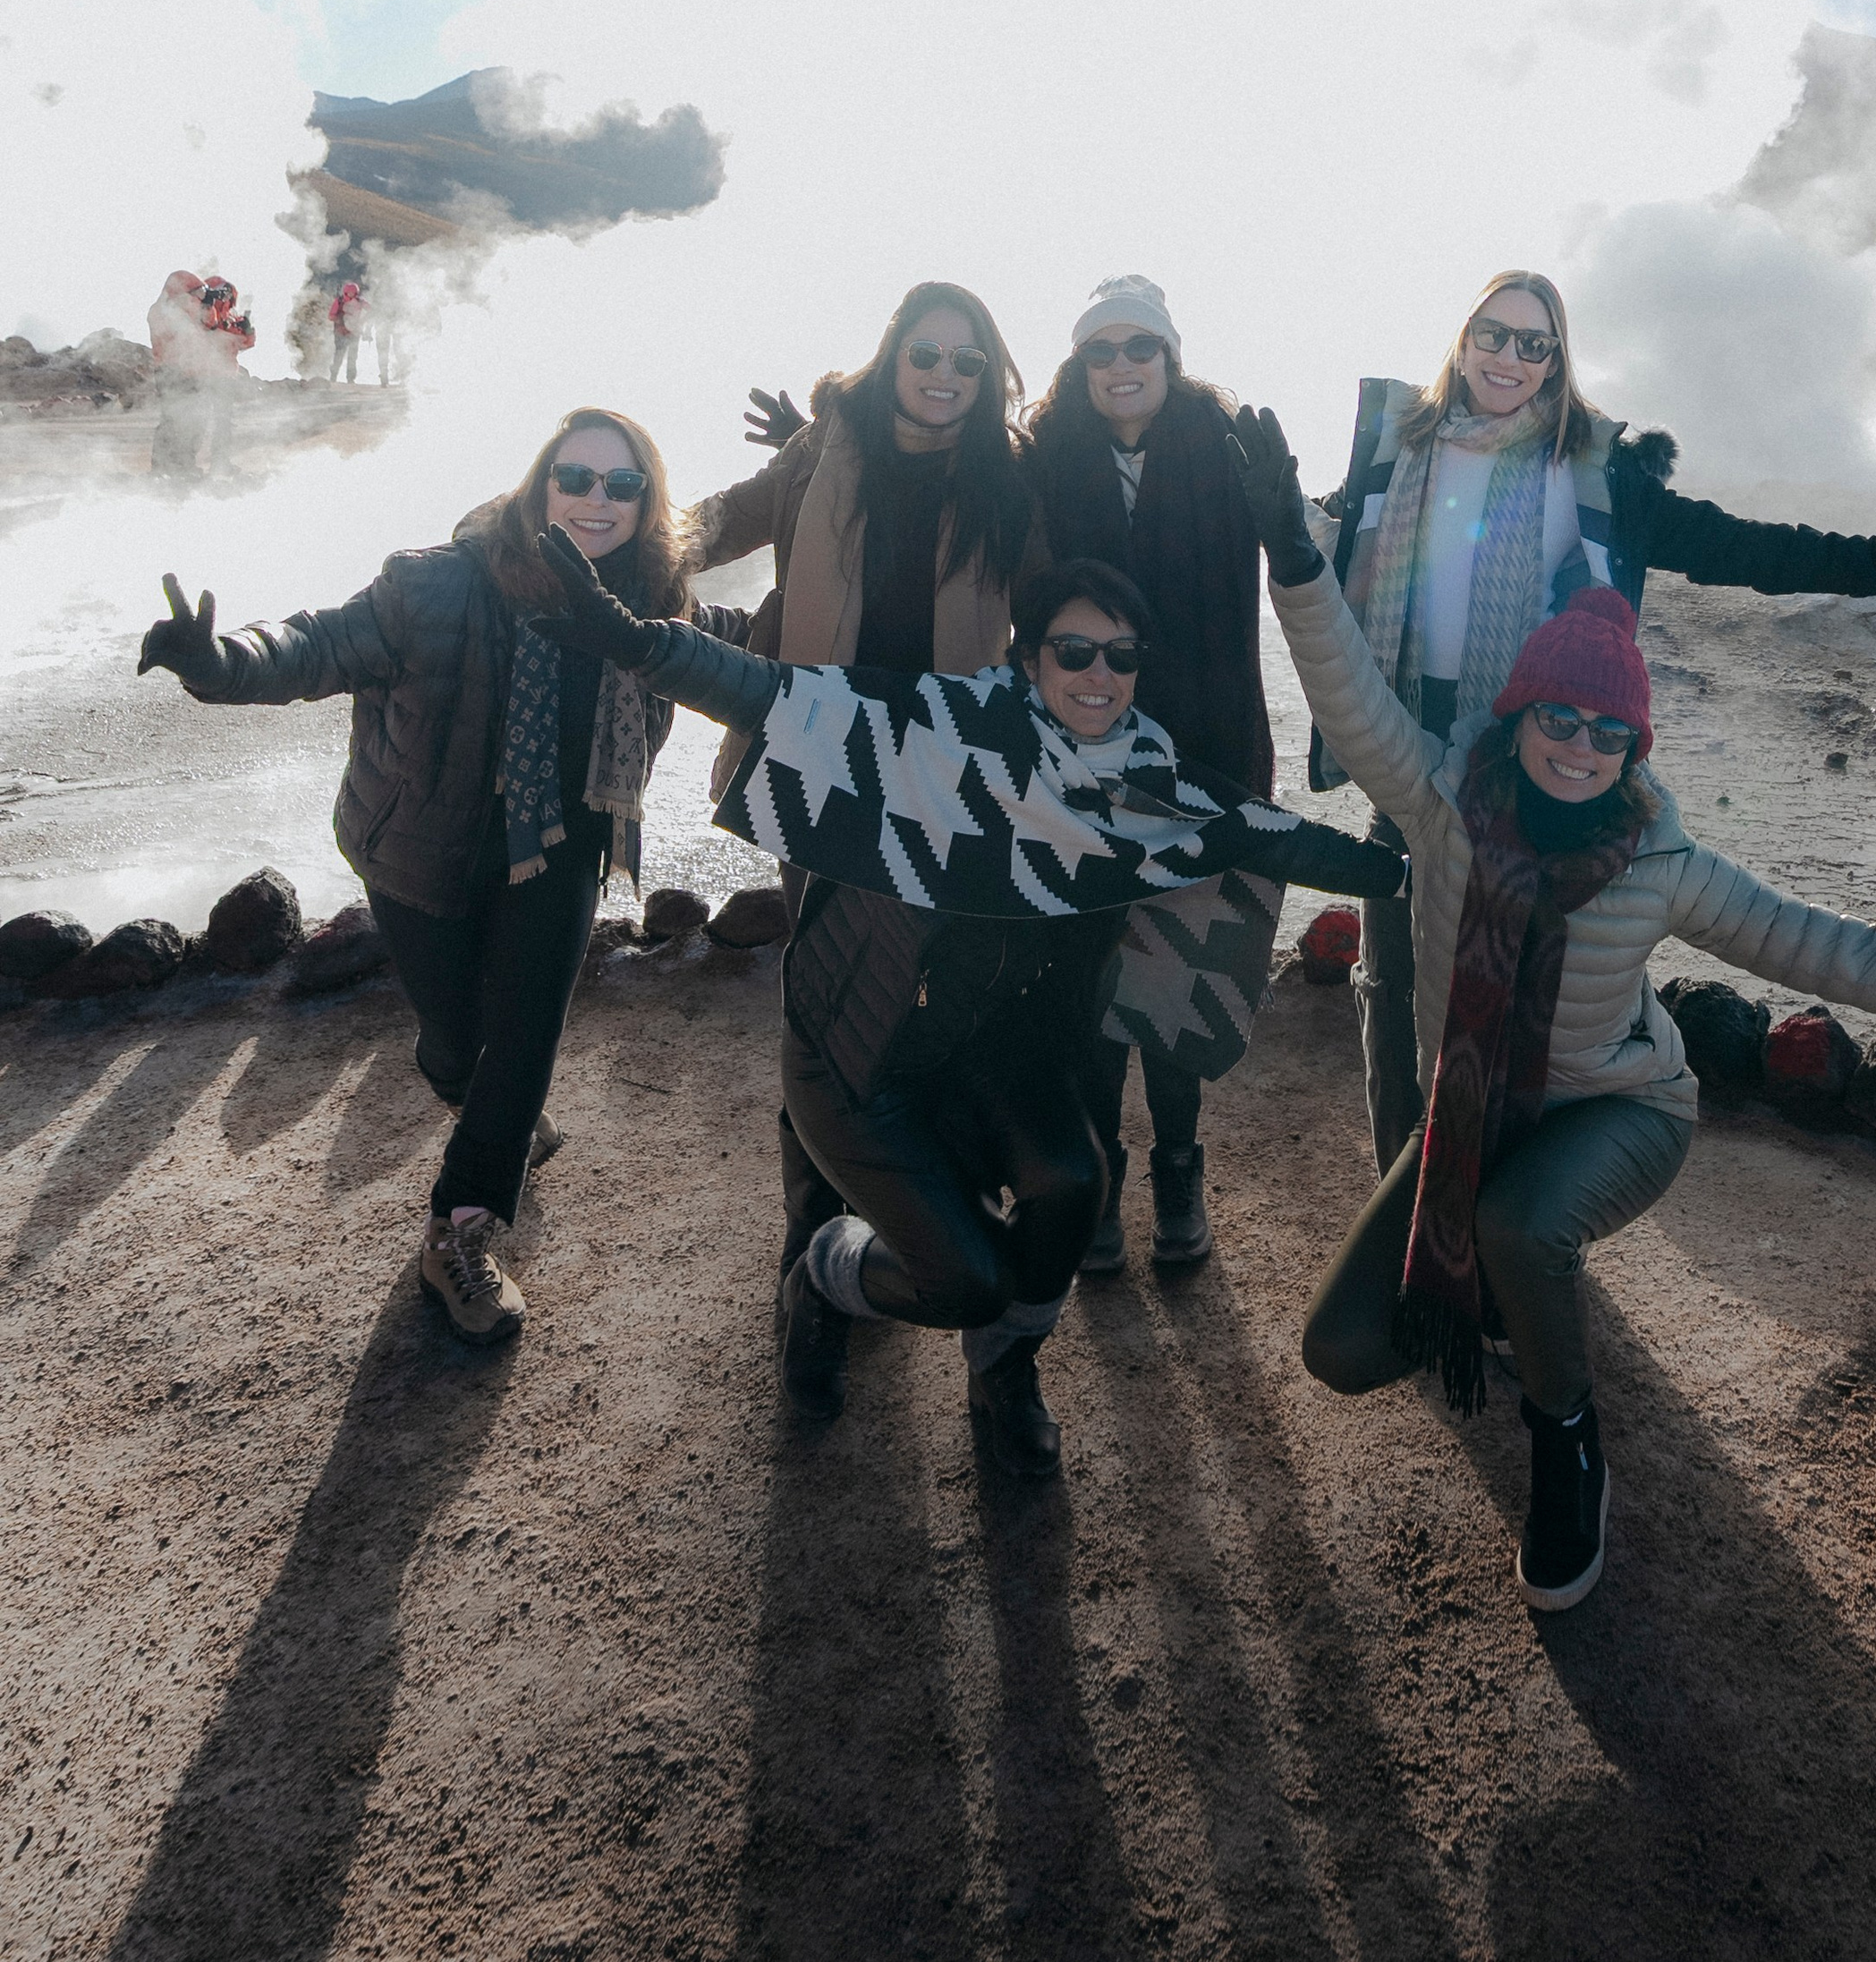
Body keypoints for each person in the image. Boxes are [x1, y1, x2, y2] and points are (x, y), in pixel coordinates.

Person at [1228, 403, 1876, 1611]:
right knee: (1344, 1349)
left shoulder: (1664, 863)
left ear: (1635, 746)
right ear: (1518, 717)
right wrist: (1293, 558)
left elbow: (1852, 957)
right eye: (1558, 716)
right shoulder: (1443, 800)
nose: (1580, 743)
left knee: (1517, 1227)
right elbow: (1346, 688)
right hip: (1479, 1109)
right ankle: (1507, 1293)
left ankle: (1568, 1442)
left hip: (1624, 1111)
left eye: (1611, 730)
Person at [533, 532, 1405, 1477]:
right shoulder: (931, 730)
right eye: (1073, 651)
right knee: (965, 1277)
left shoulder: (1147, 789)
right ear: (1029, 660)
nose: (1098, 674)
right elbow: (766, 693)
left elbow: (1277, 839)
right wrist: (632, 641)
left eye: (1121, 656)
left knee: (1073, 1189)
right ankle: (826, 1275)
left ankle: (1003, 1371)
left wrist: (1418, 866)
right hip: (856, 1054)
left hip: (991, 1058)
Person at [1320, 271, 1876, 1172]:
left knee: (1531, 1008)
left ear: (1559, 361)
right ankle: (1402, 1210)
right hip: (1406, 769)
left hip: (1538, 782)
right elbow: (1316, 564)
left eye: (1535, 343)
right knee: (1393, 987)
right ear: (1461, 338)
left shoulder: (1601, 480)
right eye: (1493, 334)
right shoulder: (1396, 456)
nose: (1509, 358)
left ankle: (1499, 1214)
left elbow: (1744, 549)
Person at [134, 408, 738, 1348]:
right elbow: (314, 642)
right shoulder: (437, 585)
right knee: (457, 1042)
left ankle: (458, 1233)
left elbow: (737, 642)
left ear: (646, 504)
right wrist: (221, 661)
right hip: (425, 849)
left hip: (563, 850)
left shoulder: (653, 602)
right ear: (540, 483)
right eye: (575, 478)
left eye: (623, 486)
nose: (595, 500)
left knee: (527, 1037)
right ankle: (474, 1093)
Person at [686, 282, 1041, 1384]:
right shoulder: (822, 441)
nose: (943, 374)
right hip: (817, 762)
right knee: (827, 997)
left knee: (924, 1004)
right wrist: (596, 536)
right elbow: (717, 523)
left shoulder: (1006, 478)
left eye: (966, 361)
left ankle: (895, 1224)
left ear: (989, 379)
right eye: (925, 352)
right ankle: (813, 1261)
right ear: (892, 355)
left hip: (941, 773)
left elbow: (1059, 600)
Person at [1029, 275, 1275, 1274]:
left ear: (1171, 359)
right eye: (1102, 350)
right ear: (1080, 366)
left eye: (1141, 347)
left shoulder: (1225, 452)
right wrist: (829, 432)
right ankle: (1098, 1178)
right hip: (1077, 750)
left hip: (1209, 750)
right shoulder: (1042, 459)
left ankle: (1179, 1165)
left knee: (1180, 977)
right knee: (1088, 978)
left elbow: (1319, 545)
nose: (1122, 365)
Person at [148, 269, 254, 481]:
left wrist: (245, 329)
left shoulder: (174, 309)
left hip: (190, 371)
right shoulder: (173, 311)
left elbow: (237, 340)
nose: (203, 296)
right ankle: (173, 468)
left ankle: (176, 467)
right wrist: (213, 307)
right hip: (180, 371)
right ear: (181, 291)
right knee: (178, 421)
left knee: (187, 421)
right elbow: (206, 328)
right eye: (197, 292)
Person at [327, 276, 368, 382]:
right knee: (339, 354)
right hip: (341, 332)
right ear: (345, 292)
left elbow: (371, 310)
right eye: (349, 293)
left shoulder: (360, 301)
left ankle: (350, 378)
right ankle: (333, 376)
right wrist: (341, 321)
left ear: (356, 293)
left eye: (353, 293)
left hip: (355, 331)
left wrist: (362, 320)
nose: (351, 295)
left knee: (353, 356)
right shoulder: (339, 301)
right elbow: (331, 315)